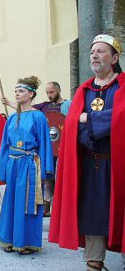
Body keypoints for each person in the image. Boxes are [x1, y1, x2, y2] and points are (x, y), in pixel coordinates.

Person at [49, 34, 125, 271]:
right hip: (91, 163)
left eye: (101, 51)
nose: (94, 55)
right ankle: (94, 262)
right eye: (92, 52)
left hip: (119, 164)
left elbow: (121, 117)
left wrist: (89, 119)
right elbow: (72, 125)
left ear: (114, 58)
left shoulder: (123, 86)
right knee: (93, 213)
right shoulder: (85, 89)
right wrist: (91, 127)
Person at [0, 76, 53, 255]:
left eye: (21, 91)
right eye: (16, 91)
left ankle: (27, 241)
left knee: (27, 202)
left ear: (31, 94)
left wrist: (45, 169)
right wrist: (3, 167)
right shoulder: (12, 118)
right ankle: (10, 239)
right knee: (12, 200)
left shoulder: (38, 117)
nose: (17, 94)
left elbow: (45, 142)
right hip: (13, 164)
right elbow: (5, 144)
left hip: (29, 166)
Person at [3, 81, 72, 217]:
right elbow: (27, 109)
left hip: (61, 148)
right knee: (47, 181)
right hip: (47, 150)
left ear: (58, 90)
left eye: (52, 92)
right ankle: (46, 205)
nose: (49, 94)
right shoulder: (44, 106)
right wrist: (9, 103)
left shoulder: (68, 105)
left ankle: (59, 208)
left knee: (59, 179)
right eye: (47, 92)